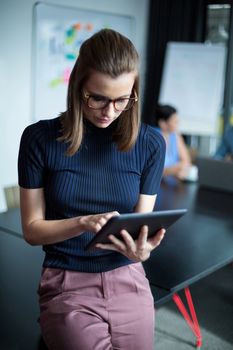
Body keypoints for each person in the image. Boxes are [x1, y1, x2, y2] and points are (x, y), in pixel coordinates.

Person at [18, 29, 166, 350]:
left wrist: (142, 252)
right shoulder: (39, 139)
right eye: (97, 97)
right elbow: (31, 230)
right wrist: (82, 223)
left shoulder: (151, 143)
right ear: (77, 85)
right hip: (66, 281)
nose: (110, 111)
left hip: (128, 276)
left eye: (122, 100)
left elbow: (141, 226)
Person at [153, 104, 195, 181]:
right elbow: (151, 171)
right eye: (174, 121)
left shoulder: (175, 135)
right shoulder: (153, 137)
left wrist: (180, 169)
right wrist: (172, 170)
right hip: (156, 183)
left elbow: (186, 161)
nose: (177, 123)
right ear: (163, 123)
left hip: (170, 182)